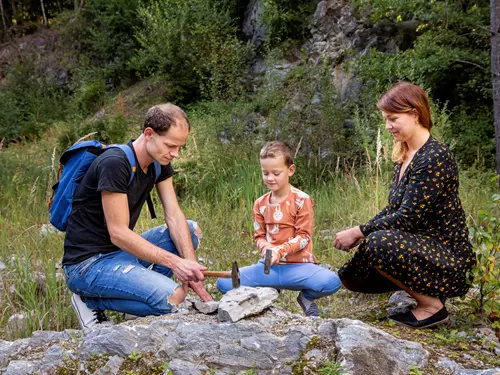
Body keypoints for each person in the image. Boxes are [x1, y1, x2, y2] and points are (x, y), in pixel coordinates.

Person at [333, 82, 475, 328]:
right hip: (421, 249)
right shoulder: (405, 154)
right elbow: (393, 209)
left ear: (414, 113)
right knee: (352, 275)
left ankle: (433, 307)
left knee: (378, 243)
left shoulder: (435, 157)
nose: (387, 126)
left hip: (448, 258)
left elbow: (407, 217)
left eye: (393, 119)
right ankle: (424, 290)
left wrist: (360, 231)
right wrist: (361, 234)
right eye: (385, 119)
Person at [63, 103, 212, 329]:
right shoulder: (115, 163)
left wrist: (189, 264)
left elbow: (173, 214)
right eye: (171, 145)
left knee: (191, 231)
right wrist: (175, 263)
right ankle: (89, 300)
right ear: (149, 134)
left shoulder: (159, 164)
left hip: (119, 256)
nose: (175, 153)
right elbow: (118, 233)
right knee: (173, 299)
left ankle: (139, 295)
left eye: (180, 147)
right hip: (87, 265)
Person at [217, 141, 341, 316]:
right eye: (265, 173)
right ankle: (266, 292)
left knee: (331, 282)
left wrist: (279, 251)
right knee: (224, 283)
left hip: (298, 267)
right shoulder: (260, 203)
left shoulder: (302, 200)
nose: (270, 178)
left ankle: (306, 298)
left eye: (276, 173)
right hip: (269, 268)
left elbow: (304, 236)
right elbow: (259, 236)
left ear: (290, 170)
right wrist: (267, 249)